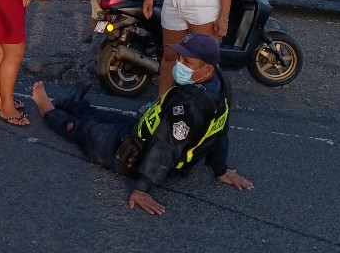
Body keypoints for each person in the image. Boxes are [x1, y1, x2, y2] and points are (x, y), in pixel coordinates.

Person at [32, 33, 253, 215]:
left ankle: (49, 111)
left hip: (134, 151)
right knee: (102, 116)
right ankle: (71, 103)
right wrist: (220, 169)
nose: (179, 65)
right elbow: (221, 129)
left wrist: (141, 188)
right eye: (180, 58)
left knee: (83, 129)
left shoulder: (187, 107)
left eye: (188, 62)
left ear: (207, 70)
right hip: (141, 127)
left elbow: (165, 145)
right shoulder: (220, 83)